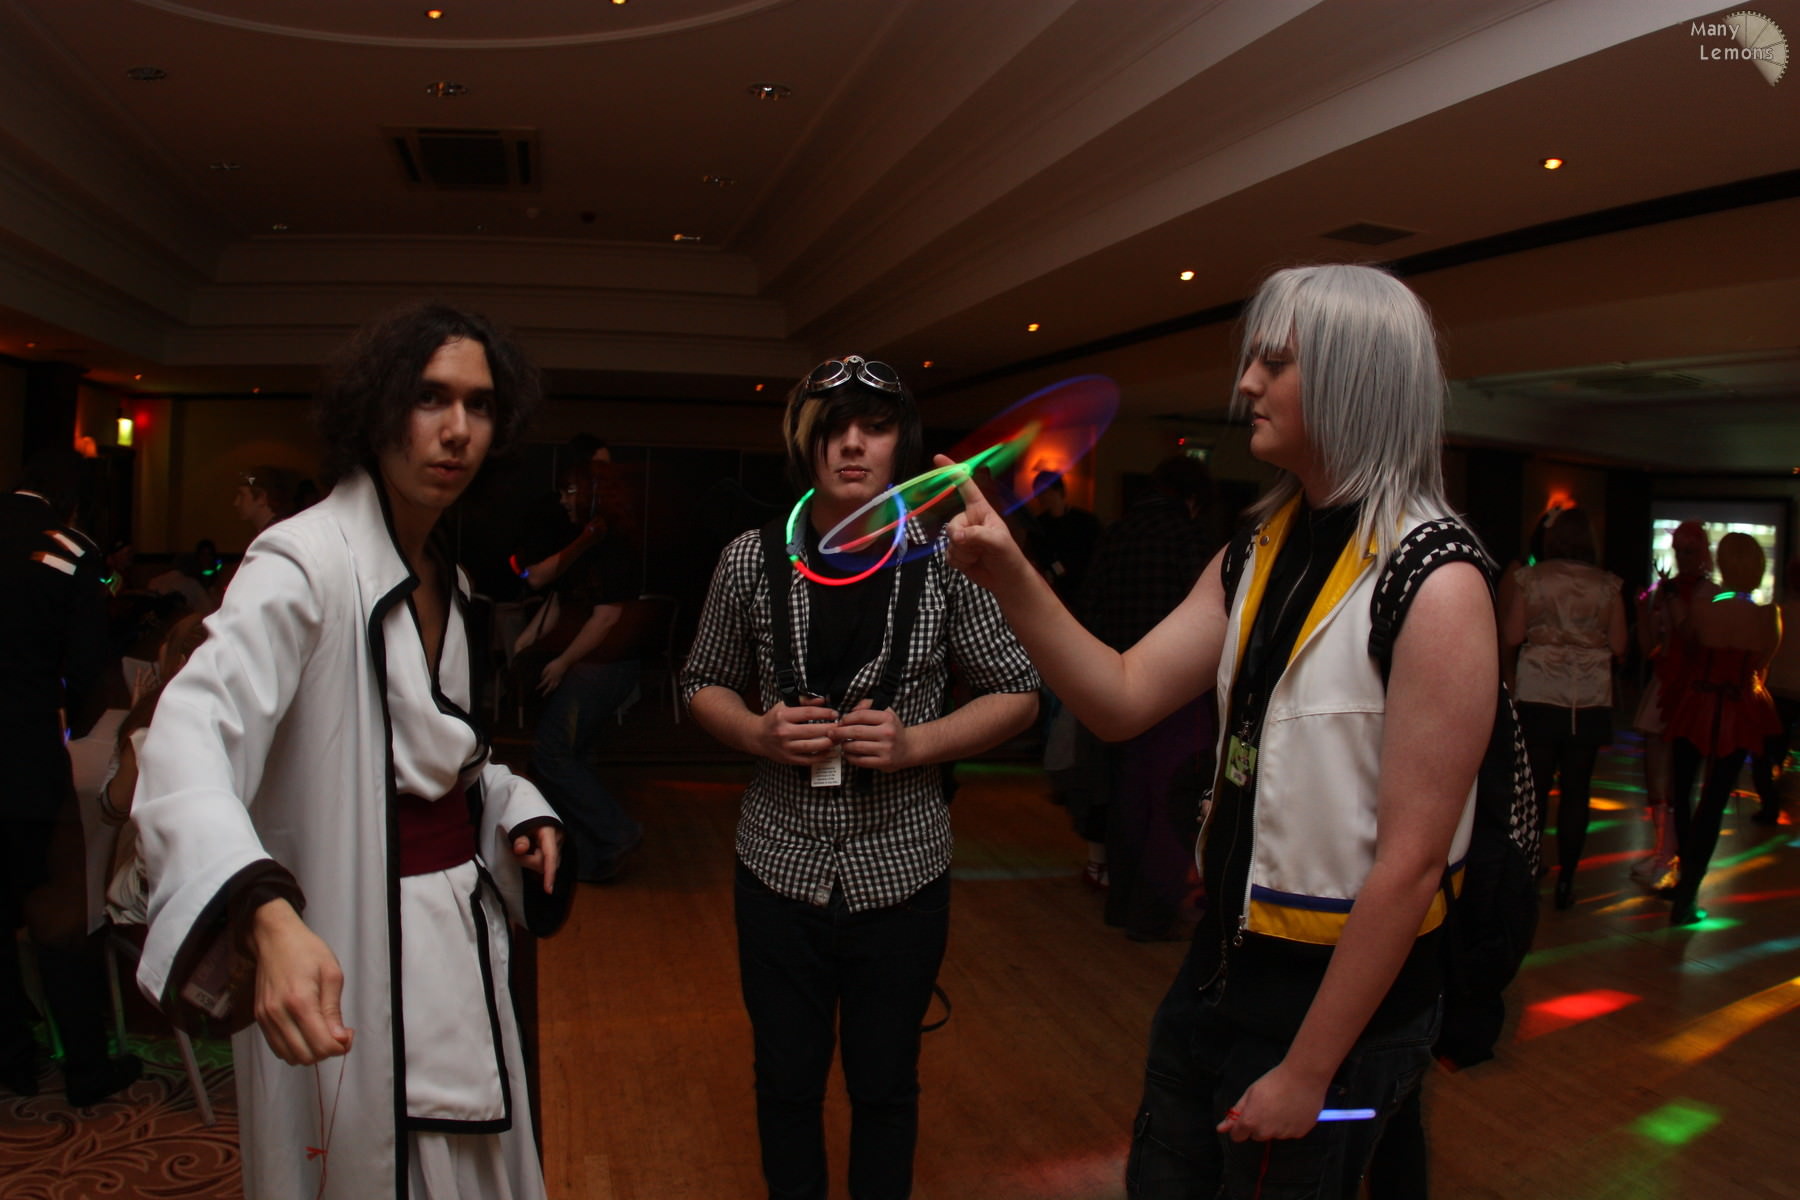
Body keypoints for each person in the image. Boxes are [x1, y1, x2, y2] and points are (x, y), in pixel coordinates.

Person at [944, 264, 1494, 1198]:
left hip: (1332, 1017)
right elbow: (1121, 697)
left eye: (1274, 363)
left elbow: (1409, 865)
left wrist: (1309, 1072)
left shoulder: (1435, 582)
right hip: (1220, 975)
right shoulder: (1256, 547)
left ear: (1353, 378)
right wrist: (1012, 576)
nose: (1245, 384)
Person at [132, 302, 570, 1200]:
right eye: (429, 397)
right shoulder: (302, 562)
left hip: (454, 945)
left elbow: (438, 758)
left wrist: (512, 805)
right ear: (376, 411)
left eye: (480, 406)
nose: (457, 429)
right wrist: (264, 912)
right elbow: (185, 737)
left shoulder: (451, 578)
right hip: (346, 950)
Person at [681, 354, 1039, 1200]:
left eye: (873, 429)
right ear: (803, 443)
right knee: (785, 1083)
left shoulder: (948, 558)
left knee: (885, 1086)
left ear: (899, 444)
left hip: (902, 867)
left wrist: (917, 744)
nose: (851, 445)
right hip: (778, 863)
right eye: (832, 429)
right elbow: (701, 682)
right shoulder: (748, 560)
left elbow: (1019, 692)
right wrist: (757, 731)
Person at [0, 448, 143, 1106]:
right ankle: (84, 1068)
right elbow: (90, 676)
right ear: (75, 503)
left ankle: (13, 1059)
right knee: (58, 911)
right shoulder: (68, 550)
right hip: (25, 755)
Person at [1075, 454, 1217, 939]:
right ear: (1192, 499)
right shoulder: (1189, 537)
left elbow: (1088, 608)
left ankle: (1120, 904)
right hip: (1177, 692)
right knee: (1168, 801)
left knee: (1126, 799)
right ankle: (1150, 916)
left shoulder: (1115, 535)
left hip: (1114, 686)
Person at [520, 454, 647, 882]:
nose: (562, 500)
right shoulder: (587, 543)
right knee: (572, 756)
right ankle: (590, 856)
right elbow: (545, 587)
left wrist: (561, 662)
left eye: (569, 491)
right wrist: (529, 640)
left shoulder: (614, 547)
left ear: (594, 496)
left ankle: (616, 833)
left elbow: (606, 617)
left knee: (552, 753)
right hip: (593, 666)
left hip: (604, 668)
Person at [1499, 505, 1626, 909]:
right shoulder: (1607, 585)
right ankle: (1567, 881)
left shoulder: (1531, 578)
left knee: (1534, 791)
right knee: (1577, 790)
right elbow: (1620, 644)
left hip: (1540, 694)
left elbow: (1512, 634)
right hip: (1588, 699)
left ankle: (1529, 869)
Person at [1661, 532, 1782, 926]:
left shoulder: (1704, 608)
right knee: (1713, 803)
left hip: (1696, 703)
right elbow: (1760, 668)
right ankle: (1688, 893)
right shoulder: (1766, 616)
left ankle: (1684, 881)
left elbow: (1687, 642)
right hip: (1737, 709)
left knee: (1684, 792)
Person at [1630, 521, 1713, 886]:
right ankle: (1663, 851)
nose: (1683, 558)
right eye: (1679, 551)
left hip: (1693, 691)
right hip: (1664, 684)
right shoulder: (1667, 590)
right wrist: (1642, 611)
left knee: (1681, 780)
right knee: (1656, 775)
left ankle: (1673, 856)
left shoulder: (1710, 592)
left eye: (1689, 551)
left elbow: (1697, 642)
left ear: (1703, 552)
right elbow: (1650, 647)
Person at [1751, 554, 1800, 824]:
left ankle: (1770, 803)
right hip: (1787, 692)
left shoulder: (1776, 613)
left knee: (1765, 752)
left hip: (1775, 692)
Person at [1030, 471, 1101, 602]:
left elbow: (1096, 557)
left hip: (1082, 592)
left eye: (1043, 491)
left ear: (1058, 491)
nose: (1038, 497)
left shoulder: (1086, 522)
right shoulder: (1038, 525)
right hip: (1051, 592)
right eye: (1037, 493)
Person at [233, 465, 297, 536]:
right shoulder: (279, 529)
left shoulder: (274, 535)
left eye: (242, 495)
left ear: (261, 498)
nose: (236, 503)